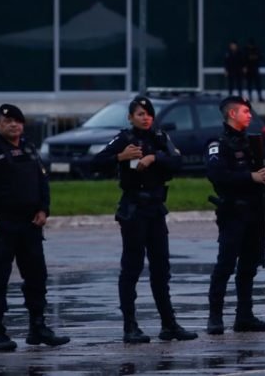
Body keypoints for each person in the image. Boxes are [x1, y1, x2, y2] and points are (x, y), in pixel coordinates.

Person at [0, 104, 70, 352]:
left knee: (36, 277)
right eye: (8, 121)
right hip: (2, 226)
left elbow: (42, 181)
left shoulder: (29, 147)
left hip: (30, 225)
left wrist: (44, 209)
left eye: (18, 121)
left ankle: (37, 327)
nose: (13, 125)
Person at [89, 96, 197, 344]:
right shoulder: (124, 139)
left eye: (148, 114)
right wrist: (121, 157)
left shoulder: (160, 137)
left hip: (156, 210)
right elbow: (94, 163)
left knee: (161, 269)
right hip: (134, 210)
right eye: (140, 114)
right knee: (132, 268)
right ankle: (130, 326)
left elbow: (178, 161)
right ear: (130, 118)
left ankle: (169, 324)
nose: (145, 117)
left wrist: (154, 158)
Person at [205, 95, 265, 335]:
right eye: (245, 111)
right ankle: (215, 317)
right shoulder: (219, 143)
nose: (249, 115)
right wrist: (249, 177)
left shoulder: (252, 142)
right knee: (225, 265)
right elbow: (217, 174)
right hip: (233, 212)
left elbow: (264, 169)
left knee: (249, 266)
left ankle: (244, 316)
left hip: (255, 212)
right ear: (232, 114)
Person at [244, 38, 264, 102]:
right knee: (249, 85)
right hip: (249, 70)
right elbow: (244, 59)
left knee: (258, 84)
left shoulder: (257, 50)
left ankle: (260, 97)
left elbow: (260, 57)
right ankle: (250, 97)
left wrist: (254, 57)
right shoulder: (246, 51)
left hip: (255, 69)